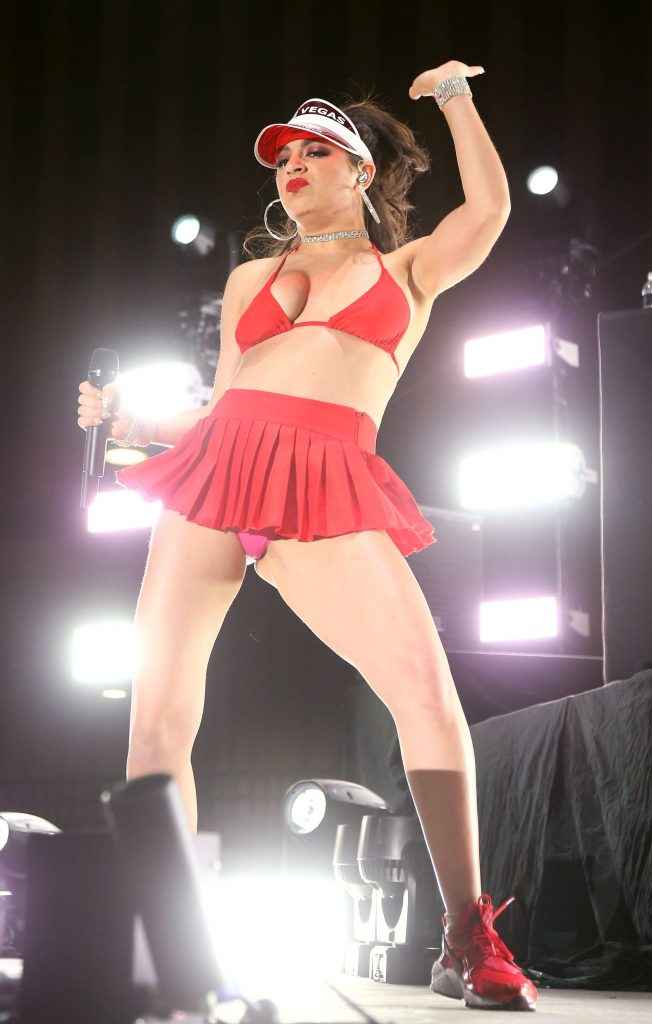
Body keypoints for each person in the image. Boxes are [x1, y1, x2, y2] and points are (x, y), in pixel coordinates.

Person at [77, 64, 537, 1011]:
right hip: (214, 482)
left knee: (428, 699)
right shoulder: (253, 276)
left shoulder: (407, 270)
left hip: (323, 485)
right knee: (157, 716)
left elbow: (488, 210)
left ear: (360, 172)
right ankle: (172, 941)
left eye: (316, 152)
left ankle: (467, 933)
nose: (292, 165)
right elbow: (223, 407)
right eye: (283, 155)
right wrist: (133, 418)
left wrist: (455, 96)